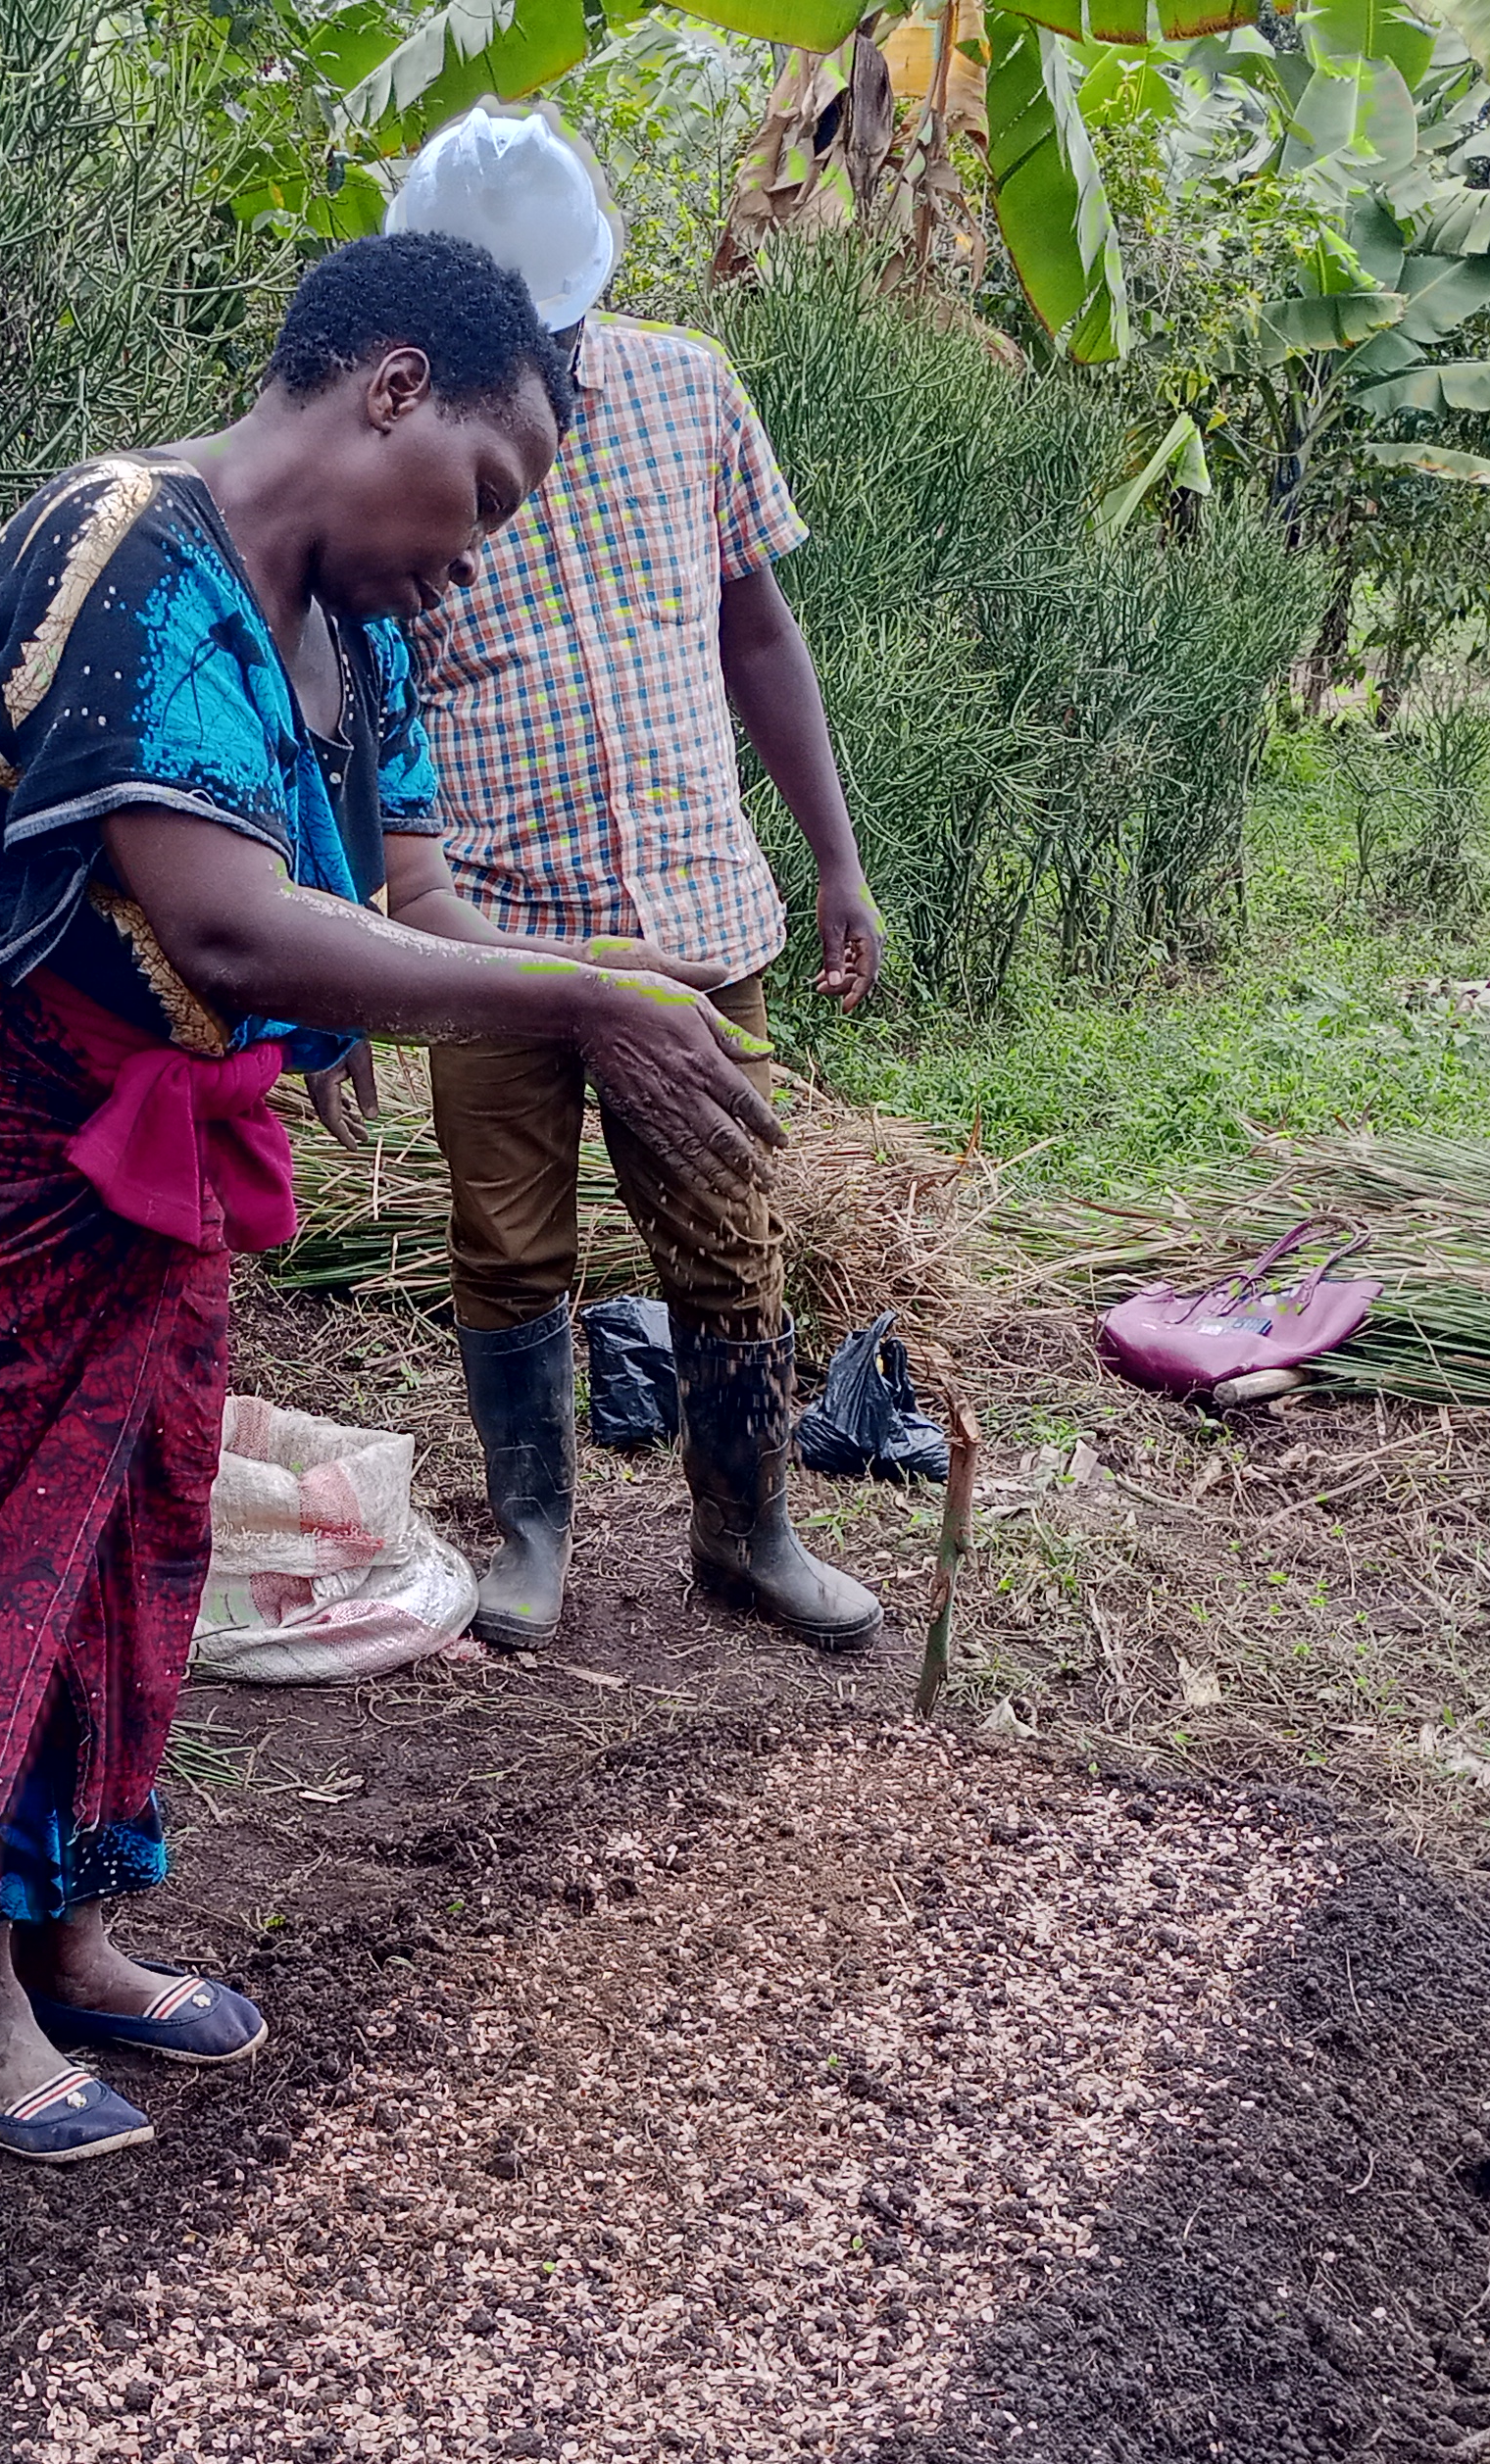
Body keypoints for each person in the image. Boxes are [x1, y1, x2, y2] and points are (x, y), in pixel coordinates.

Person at [0, 232, 779, 2167]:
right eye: (484, 491)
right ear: (383, 391)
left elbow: (407, 908)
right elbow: (217, 913)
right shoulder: (121, 548)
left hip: (114, 1154)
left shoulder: (358, 647)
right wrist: (577, 999)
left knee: (127, 1512)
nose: (479, 550)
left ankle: (78, 1930)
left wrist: (583, 978)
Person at [371, 111, 888, 1655]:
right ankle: (531, 1537)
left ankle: (750, 1534)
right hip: (486, 925)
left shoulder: (689, 389)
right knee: (507, 1234)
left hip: (690, 918)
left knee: (729, 1225)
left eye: (565, 324)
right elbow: (358, 712)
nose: (551, 360)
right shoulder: (403, 447)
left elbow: (759, 637)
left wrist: (838, 861)